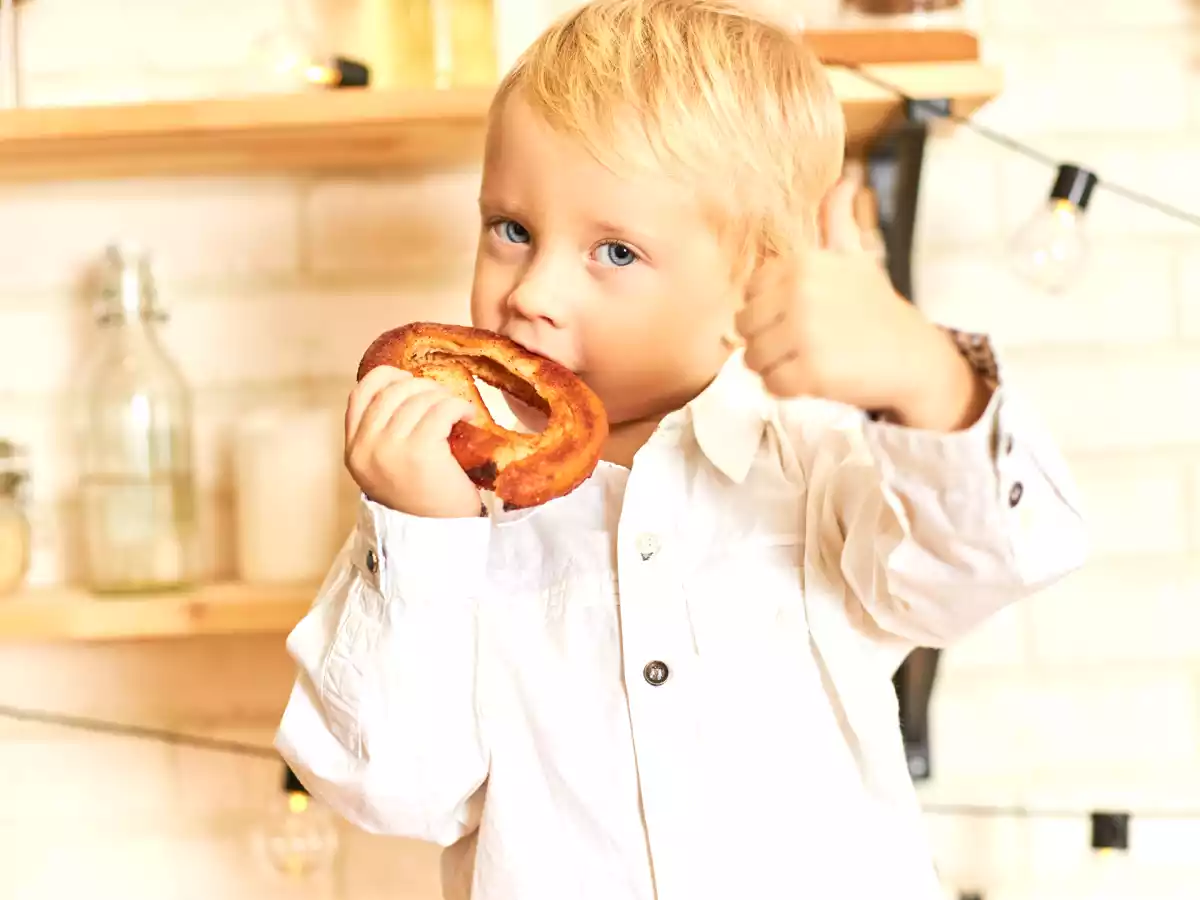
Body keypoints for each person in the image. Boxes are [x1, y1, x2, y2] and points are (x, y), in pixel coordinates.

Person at [275, 2, 1087, 897]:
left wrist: (927, 376)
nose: (532, 292)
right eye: (511, 229)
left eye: (615, 251)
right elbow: (389, 790)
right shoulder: (446, 511)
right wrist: (420, 538)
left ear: (758, 280)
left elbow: (991, 565)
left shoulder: (819, 458)